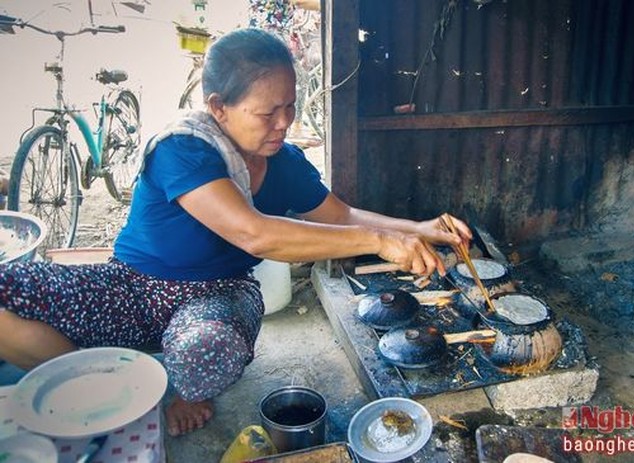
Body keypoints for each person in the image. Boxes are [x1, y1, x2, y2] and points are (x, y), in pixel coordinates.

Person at [0, 28, 471, 437]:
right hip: (132, 286)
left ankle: (178, 391)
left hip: (220, 293)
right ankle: (95, 390)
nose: (285, 123)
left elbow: (341, 214)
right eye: (268, 112)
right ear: (218, 107)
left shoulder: (283, 161)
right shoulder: (183, 149)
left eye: (290, 107)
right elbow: (255, 235)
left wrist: (419, 228)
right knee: (7, 293)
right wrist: (381, 242)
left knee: (206, 346)